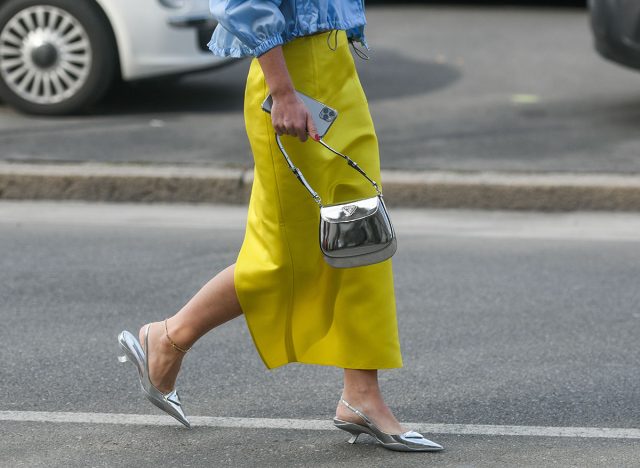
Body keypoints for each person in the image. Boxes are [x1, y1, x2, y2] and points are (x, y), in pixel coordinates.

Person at [117, 0, 443, 452]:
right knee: (283, 258)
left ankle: (361, 394)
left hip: (337, 69)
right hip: (290, 81)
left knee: (358, 237)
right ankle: (170, 336)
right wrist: (283, 90)